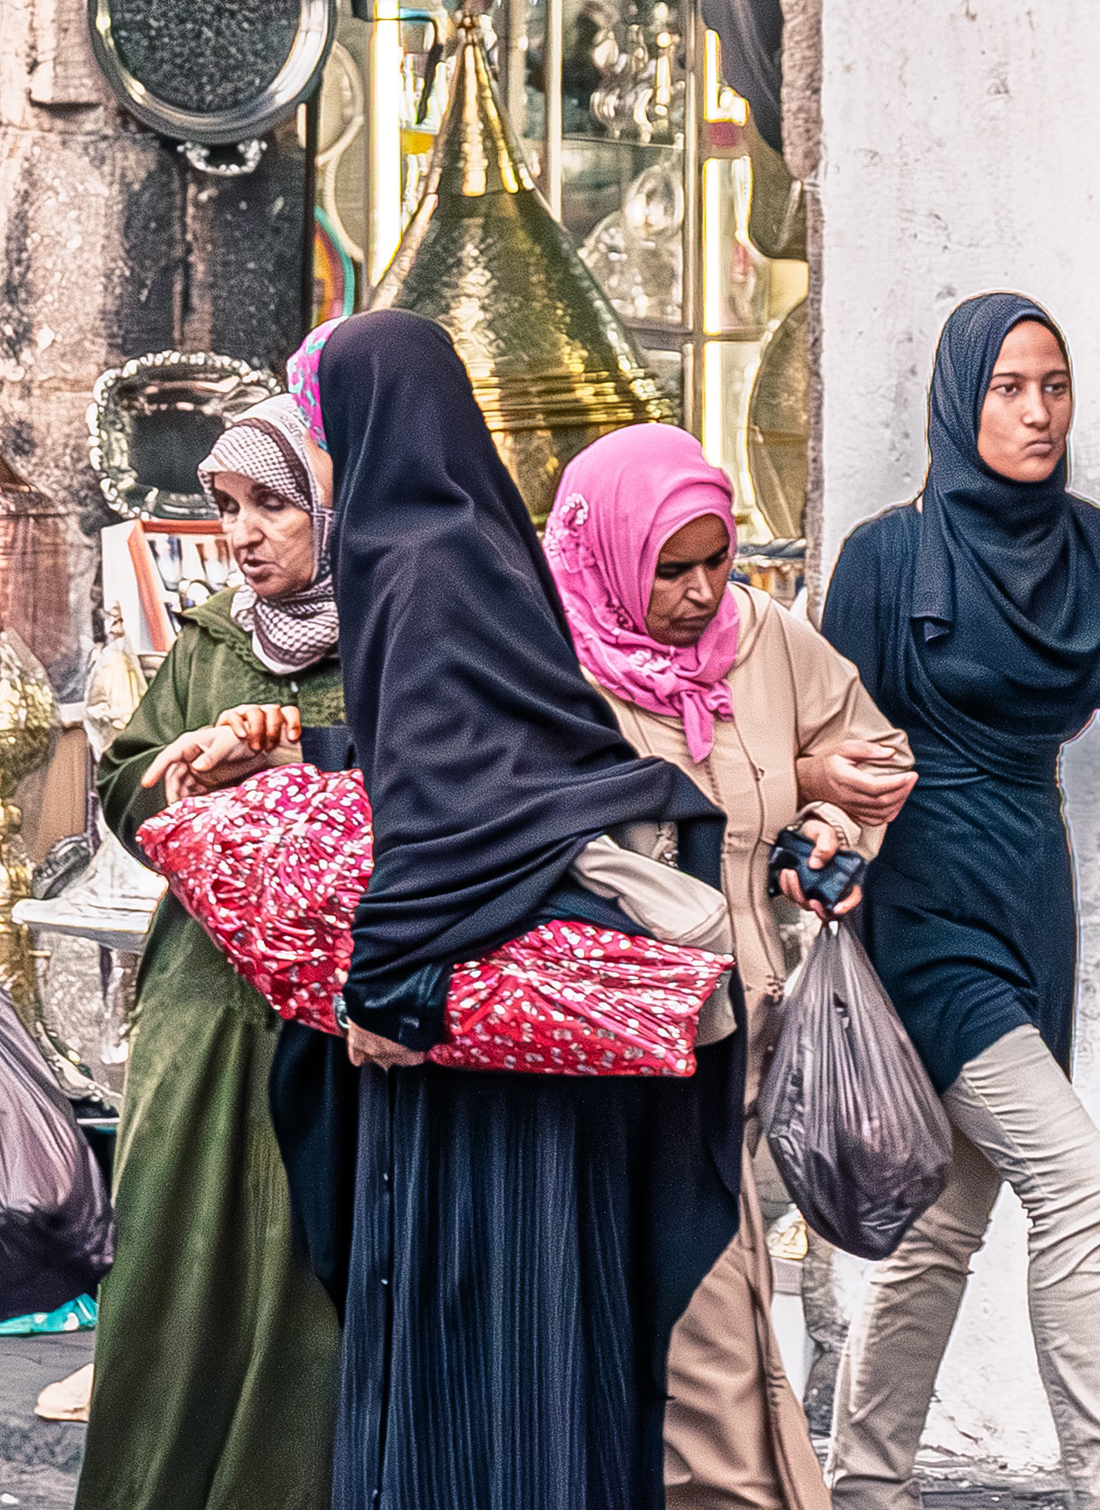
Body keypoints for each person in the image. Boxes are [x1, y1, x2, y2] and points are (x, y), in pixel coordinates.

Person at [316, 310, 749, 1510]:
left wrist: (389, 984)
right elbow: (502, 753)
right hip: (548, 1006)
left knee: (477, 1334)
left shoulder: (408, 565)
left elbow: (449, 806)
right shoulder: (488, 547)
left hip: (474, 1015)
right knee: (559, 1327)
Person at [818, 293, 1100, 1510]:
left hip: (1031, 906)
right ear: (959, 398)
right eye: (1008, 388)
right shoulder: (886, 557)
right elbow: (824, 747)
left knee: (943, 1225)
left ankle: (861, 1488)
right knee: (1081, 1185)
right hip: (921, 915)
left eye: (1055, 385)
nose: (1038, 412)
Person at [542, 422, 918, 1510]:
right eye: (673, 569)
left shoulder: (764, 640)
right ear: (609, 556)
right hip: (615, 1051)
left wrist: (820, 818)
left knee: (725, 1298)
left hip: (744, 1035)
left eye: (720, 561)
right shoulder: (550, 668)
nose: (705, 592)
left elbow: (875, 762)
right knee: (700, 1315)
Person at [77, 391, 354, 1510]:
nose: (240, 535)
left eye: (270, 506)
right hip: (202, 1003)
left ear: (333, 510)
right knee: (171, 1264)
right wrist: (195, 795)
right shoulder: (209, 643)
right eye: (225, 508)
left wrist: (298, 773)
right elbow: (123, 787)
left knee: (303, 1274)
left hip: (329, 1009)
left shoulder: (395, 638)